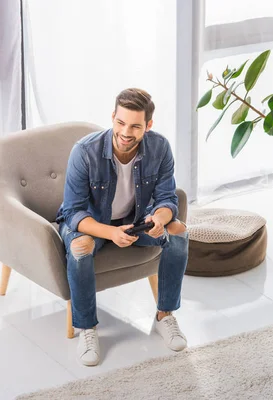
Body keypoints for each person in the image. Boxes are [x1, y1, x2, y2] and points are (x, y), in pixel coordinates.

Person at [56, 88, 189, 366]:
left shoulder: (160, 147)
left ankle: (165, 315)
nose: (126, 132)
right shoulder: (84, 152)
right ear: (113, 117)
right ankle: (87, 329)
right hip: (92, 224)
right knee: (80, 248)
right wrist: (111, 233)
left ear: (148, 126)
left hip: (135, 221)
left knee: (177, 231)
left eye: (135, 126)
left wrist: (159, 220)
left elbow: (167, 198)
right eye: (120, 123)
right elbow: (72, 212)